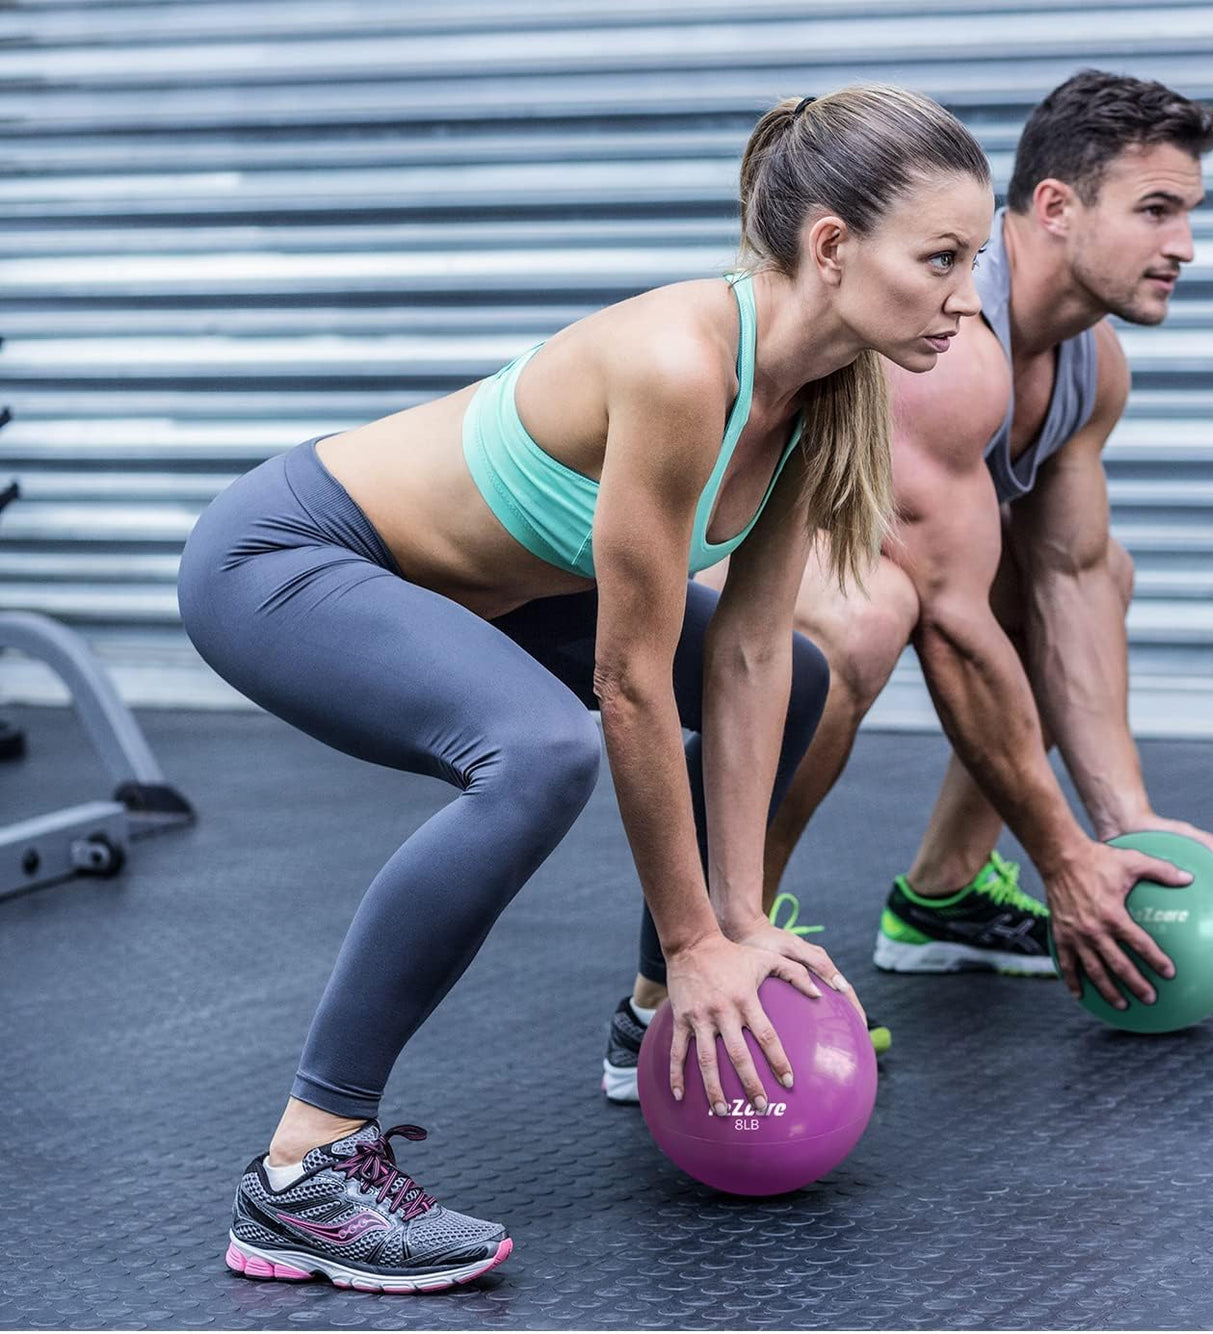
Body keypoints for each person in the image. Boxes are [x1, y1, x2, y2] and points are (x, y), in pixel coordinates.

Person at [178, 84, 994, 1292]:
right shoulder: (677, 363)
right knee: (542, 751)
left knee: (808, 678)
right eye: (939, 259)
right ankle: (304, 1168)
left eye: (971, 261)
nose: (966, 299)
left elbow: (753, 655)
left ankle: (655, 1018)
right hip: (293, 560)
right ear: (831, 246)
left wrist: (732, 927)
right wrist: (691, 923)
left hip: (497, 589)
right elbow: (624, 678)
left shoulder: (829, 390)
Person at [604, 71, 1213, 1101]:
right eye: (1154, 210)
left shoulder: (1089, 365)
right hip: (727, 589)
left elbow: (1067, 579)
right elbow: (947, 618)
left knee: (1093, 567)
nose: (1184, 246)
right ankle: (684, 971)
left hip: (895, 575)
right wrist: (1061, 856)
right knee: (864, 614)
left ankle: (941, 897)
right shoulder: (950, 351)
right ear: (1055, 208)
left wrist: (1122, 827)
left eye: (1189, 214)